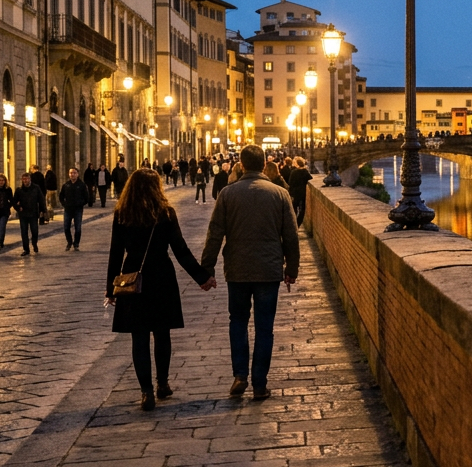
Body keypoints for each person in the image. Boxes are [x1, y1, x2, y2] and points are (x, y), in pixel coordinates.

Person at [105, 169, 215, 410]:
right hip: (161, 277)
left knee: (139, 336)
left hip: (133, 278)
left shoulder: (122, 214)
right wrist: (202, 277)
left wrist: (111, 289)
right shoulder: (165, 213)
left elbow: (115, 253)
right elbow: (181, 250)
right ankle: (162, 383)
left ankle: (146, 392)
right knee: (162, 333)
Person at [200, 145, 299, 400]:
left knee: (238, 321)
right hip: (268, 270)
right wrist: (292, 269)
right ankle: (259, 383)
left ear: (241, 165)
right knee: (265, 327)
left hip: (238, 270)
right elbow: (290, 235)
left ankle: (240, 375)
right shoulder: (279, 194)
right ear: (264, 163)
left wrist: (206, 270)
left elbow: (215, 234)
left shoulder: (227, 194)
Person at [13, 173, 46, 255]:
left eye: (27, 178)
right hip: (23, 214)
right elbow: (14, 201)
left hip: (33, 213)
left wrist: (43, 211)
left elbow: (41, 200)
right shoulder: (19, 190)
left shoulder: (36, 188)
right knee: (24, 232)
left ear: (30, 179)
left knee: (34, 231)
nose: (25, 180)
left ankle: (34, 243)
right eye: (23, 179)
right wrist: (18, 207)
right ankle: (26, 249)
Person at [59, 168, 90, 251]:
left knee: (78, 227)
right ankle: (69, 242)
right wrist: (64, 204)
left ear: (77, 174)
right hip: (68, 209)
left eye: (74, 173)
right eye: (71, 173)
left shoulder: (82, 185)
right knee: (66, 227)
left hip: (78, 209)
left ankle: (76, 243)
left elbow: (86, 198)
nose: (72, 174)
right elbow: (61, 196)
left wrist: (80, 204)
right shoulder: (66, 185)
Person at [287, 157, 312, 226]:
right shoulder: (305, 172)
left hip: (295, 193)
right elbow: (310, 179)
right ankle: (298, 223)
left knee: (294, 208)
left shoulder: (294, 172)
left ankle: (294, 223)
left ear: (297, 164)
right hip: (303, 192)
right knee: (302, 209)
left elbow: (290, 183)